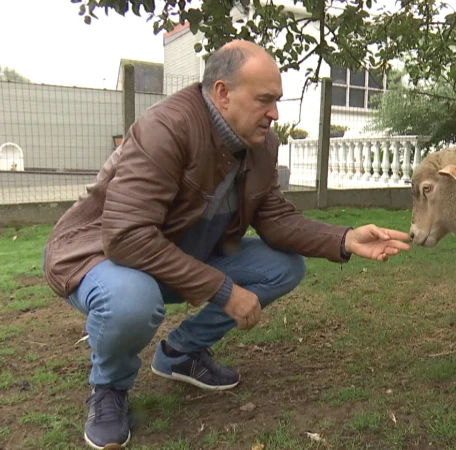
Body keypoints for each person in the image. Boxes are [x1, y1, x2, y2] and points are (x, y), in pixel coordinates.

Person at [41, 40, 410, 449]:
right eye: (264, 100)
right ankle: (108, 388)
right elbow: (126, 236)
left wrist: (343, 238)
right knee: (131, 300)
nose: (274, 114)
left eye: (277, 101)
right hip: (99, 256)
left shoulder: (260, 144)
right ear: (222, 92)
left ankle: (180, 353)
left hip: (177, 255)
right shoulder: (166, 128)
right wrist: (224, 291)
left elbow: (274, 217)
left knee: (283, 267)